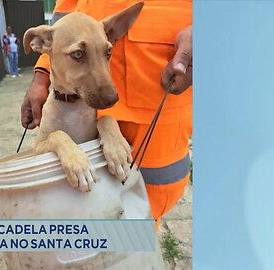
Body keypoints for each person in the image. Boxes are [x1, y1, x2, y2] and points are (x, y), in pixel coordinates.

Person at [21, 0, 192, 229]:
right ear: (39, 42)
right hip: (70, 206)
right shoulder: (56, 105)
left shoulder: (99, 112)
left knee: (139, 222)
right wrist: (41, 74)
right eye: (79, 55)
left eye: (106, 52)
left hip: (159, 110)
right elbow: (63, 21)